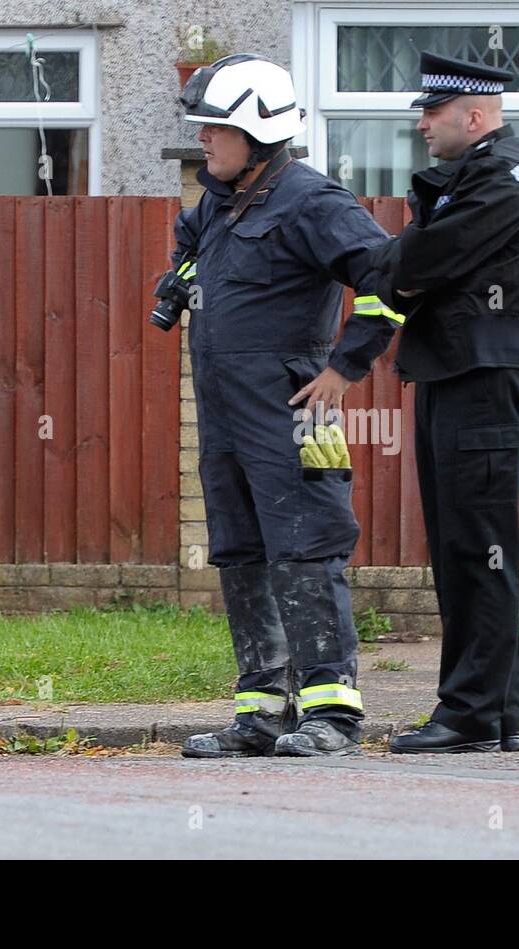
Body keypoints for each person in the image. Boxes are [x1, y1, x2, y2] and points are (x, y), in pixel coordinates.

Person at [169, 55, 403, 758]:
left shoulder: (313, 201)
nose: (203, 140)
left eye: (215, 129)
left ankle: (331, 713)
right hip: (225, 411)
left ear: (257, 133)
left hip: (294, 408)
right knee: (242, 553)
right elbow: (191, 253)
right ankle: (263, 711)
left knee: (306, 550)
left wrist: (343, 366)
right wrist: (177, 280)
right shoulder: (220, 201)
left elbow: (389, 282)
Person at [369, 52, 519, 754]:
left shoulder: (500, 183)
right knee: (468, 551)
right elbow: (417, 265)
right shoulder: (480, 176)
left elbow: (415, 265)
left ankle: (471, 714)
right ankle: (496, 713)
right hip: (462, 374)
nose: (421, 123)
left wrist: (395, 264)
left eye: (433, 112)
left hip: (481, 381)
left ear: (474, 116)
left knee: (474, 550)